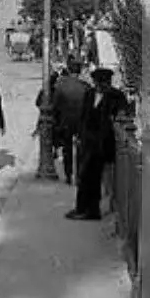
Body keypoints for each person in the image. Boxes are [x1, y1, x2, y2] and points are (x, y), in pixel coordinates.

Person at [66, 67, 128, 221]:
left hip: (103, 143)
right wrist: (79, 135)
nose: (99, 85)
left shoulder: (116, 96)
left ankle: (91, 211)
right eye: (98, 82)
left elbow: (121, 116)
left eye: (102, 82)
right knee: (84, 176)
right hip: (87, 142)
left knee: (92, 177)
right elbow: (84, 116)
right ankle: (82, 208)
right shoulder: (89, 94)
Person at [52, 60, 90, 185]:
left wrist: (56, 122)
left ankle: (68, 174)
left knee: (67, 149)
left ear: (68, 70)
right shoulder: (85, 86)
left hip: (66, 121)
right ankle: (79, 175)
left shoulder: (61, 86)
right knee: (81, 149)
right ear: (79, 72)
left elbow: (55, 105)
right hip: (81, 122)